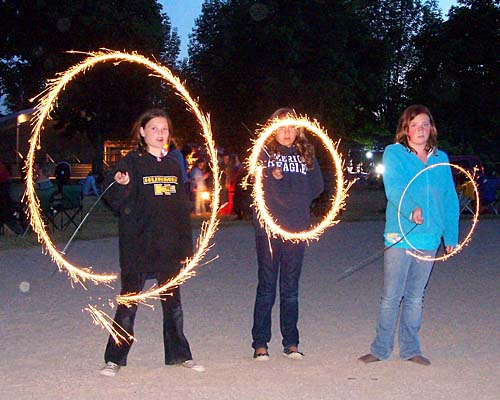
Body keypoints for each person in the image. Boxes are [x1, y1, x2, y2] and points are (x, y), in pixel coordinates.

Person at [99, 109, 204, 377]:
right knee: (128, 304)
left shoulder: (173, 164)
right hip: (139, 246)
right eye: (155, 128)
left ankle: (180, 354)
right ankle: (114, 359)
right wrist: (120, 183)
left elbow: (181, 208)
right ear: (142, 132)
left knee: (173, 306)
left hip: (169, 247)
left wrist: (185, 246)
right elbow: (115, 200)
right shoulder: (131, 162)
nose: (160, 133)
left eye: (164, 129)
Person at [358, 104, 459, 366]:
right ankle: (380, 348)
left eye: (425, 124)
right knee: (392, 295)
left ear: (432, 128)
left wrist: (451, 235)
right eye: (414, 125)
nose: (420, 130)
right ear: (406, 129)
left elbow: (449, 200)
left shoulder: (441, 158)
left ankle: (410, 349)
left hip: (429, 238)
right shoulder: (395, 154)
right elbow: (395, 188)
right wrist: (411, 209)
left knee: (415, 296)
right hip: (399, 235)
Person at [251, 107, 324, 361]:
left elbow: (318, 187)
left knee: (291, 288)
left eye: (291, 127)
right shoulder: (263, 153)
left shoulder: (306, 155)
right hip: (268, 229)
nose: (286, 132)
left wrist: (296, 198)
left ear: (299, 129)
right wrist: (272, 176)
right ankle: (260, 343)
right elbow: (253, 185)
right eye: (281, 127)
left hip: (296, 228)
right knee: (267, 287)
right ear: (272, 129)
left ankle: (291, 342)